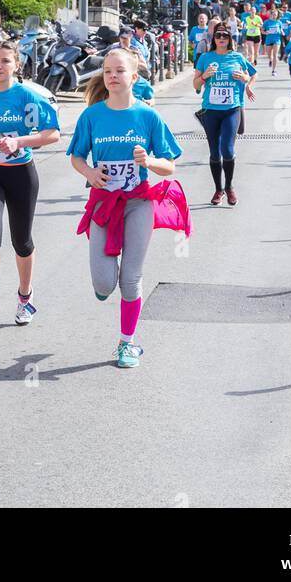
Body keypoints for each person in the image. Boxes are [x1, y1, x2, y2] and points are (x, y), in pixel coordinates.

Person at [68, 47, 185, 367]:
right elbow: (76, 156)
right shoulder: (92, 116)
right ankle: (105, 286)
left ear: (134, 77)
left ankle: (127, 343)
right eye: (107, 71)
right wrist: (90, 173)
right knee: (104, 283)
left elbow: (169, 165)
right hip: (104, 204)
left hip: (138, 202)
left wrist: (149, 161)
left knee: (130, 279)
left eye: (119, 71)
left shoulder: (148, 116)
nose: (112, 76)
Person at [0, 39, 60, 327]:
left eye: (6, 61)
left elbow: (51, 134)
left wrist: (19, 141)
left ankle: (25, 297)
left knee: (22, 241)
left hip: (21, 173)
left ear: (17, 64)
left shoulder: (26, 97)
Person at [193, 22, 256, 204]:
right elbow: (195, 85)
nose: (221, 38)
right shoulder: (205, 58)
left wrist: (246, 81)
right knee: (214, 153)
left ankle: (229, 187)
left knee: (227, 150)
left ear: (230, 39)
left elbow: (252, 74)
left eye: (225, 36)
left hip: (231, 109)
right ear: (214, 39)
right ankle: (218, 190)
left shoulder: (237, 57)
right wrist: (205, 76)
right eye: (218, 35)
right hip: (211, 110)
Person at [262, 5, 283, 74]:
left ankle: (274, 70)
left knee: (275, 55)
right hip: (268, 40)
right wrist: (266, 32)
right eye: (273, 14)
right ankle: (270, 60)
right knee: (269, 55)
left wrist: (281, 32)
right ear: (270, 15)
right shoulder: (266, 22)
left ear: (277, 15)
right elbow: (262, 31)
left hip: (276, 40)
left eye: (275, 15)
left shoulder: (279, 22)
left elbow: (281, 30)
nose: (274, 16)